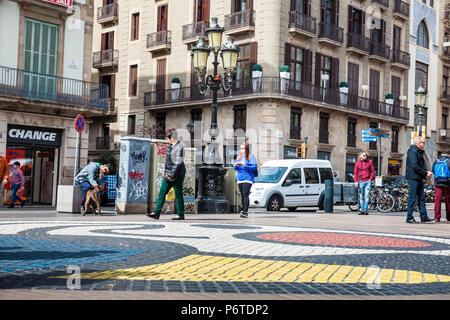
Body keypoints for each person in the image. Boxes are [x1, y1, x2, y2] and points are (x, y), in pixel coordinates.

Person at [147, 128, 186, 220]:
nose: (167, 140)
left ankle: (181, 214)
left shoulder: (180, 147)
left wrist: (172, 175)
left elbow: (178, 162)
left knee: (178, 193)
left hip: (178, 173)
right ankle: (156, 213)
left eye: (168, 138)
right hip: (169, 172)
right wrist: (167, 173)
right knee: (162, 192)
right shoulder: (171, 146)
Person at [405, 136, 434, 224]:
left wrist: (424, 173)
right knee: (412, 198)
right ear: (418, 143)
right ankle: (409, 218)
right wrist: (425, 173)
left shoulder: (417, 151)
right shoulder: (412, 152)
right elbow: (415, 166)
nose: (424, 144)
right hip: (413, 178)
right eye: (423, 142)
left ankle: (424, 217)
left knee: (421, 198)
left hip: (418, 178)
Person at [234, 143, 257, 218]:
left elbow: (254, 167)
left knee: (245, 194)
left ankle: (245, 212)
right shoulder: (238, 157)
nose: (242, 150)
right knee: (242, 195)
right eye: (241, 148)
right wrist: (236, 165)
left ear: (247, 149)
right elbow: (235, 168)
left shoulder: (251, 157)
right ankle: (243, 210)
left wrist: (245, 166)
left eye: (243, 148)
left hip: (248, 178)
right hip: (240, 178)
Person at [431, 151, 450, 222]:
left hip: (437, 183)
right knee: (448, 201)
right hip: (447, 184)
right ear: (448, 155)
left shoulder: (436, 161)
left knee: (437, 200)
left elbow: (433, 171)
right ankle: (449, 217)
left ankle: (437, 217)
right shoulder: (449, 161)